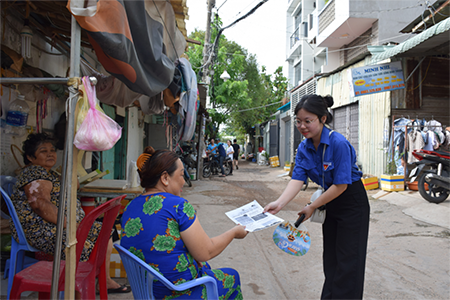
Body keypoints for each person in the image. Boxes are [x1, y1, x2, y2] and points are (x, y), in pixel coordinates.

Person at [264, 94, 370, 300]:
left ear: (323, 119)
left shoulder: (338, 143)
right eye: (298, 121)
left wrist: (312, 206)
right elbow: (297, 179)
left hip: (351, 203)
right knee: (331, 259)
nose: (302, 126)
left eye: (308, 121)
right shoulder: (304, 147)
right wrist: (279, 202)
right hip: (328, 201)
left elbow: (340, 186)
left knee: (349, 261)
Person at [9, 132, 130, 294]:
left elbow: (75, 186)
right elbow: (39, 204)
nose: (50, 154)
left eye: (52, 150)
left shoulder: (49, 174)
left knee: (105, 231)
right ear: (30, 157)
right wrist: (70, 225)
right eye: (44, 151)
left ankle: (102, 280)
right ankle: (80, 287)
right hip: (43, 230)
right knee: (88, 243)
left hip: (58, 225)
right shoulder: (34, 173)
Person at [120, 146, 247, 299]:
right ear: (165, 178)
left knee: (203, 265)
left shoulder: (129, 207)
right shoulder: (178, 206)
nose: (184, 181)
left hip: (147, 293)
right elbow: (206, 251)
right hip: (177, 293)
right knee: (232, 276)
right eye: (181, 175)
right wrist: (233, 232)